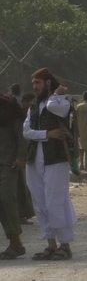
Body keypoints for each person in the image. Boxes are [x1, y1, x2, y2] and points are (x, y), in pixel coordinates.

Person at [23, 68, 77, 260]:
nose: (35, 87)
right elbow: (26, 132)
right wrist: (47, 134)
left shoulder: (60, 101)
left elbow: (55, 108)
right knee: (40, 203)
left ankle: (65, 244)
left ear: (47, 82)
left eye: (38, 83)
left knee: (56, 201)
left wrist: (55, 93)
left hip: (56, 158)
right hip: (34, 159)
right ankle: (51, 244)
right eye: (33, 84)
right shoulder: (33, 107)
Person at [0, 92, 28, 259]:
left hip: (9, 162)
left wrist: (20, 156)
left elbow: (21, 134)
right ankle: (14, 243)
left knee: (7, 198)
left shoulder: (9, 106)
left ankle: (16, 242)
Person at [18, 93, 36, 224]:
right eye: (29, 102)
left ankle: (23, 215)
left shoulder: (25, 116)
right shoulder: (17, 116)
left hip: (24, 156)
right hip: (18, 157)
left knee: (23, 187)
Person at [75, 92, 87, 171]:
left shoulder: (79, 106)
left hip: (80, 129)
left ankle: (81, 163)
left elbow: (75, 118)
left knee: (81, 148)